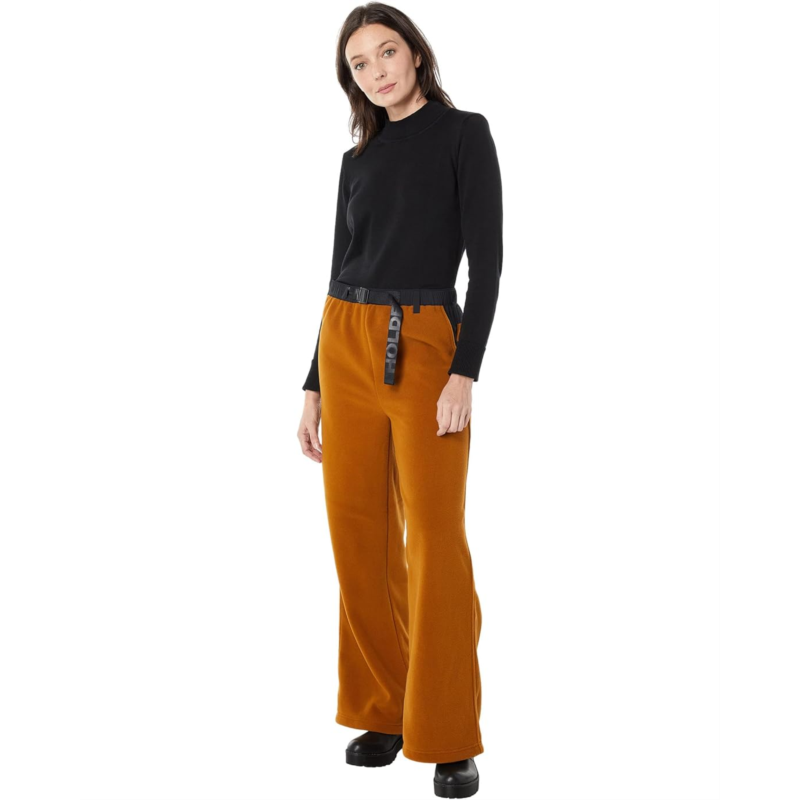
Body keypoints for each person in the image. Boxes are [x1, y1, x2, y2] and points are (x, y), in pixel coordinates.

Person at [296, 4, 502, 797]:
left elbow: (488, 264)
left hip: (424, 343)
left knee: (435, 540)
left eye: (387, 52)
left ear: (416, 53)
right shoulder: (357, 160)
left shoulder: (464, 134)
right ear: (351, 80)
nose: (377, 71)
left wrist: (464, 372)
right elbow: (338, 270)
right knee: (359, 534)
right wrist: (314, 383)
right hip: (345, 341)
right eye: (360, 63)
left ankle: (447, 730)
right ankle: (384, 707)